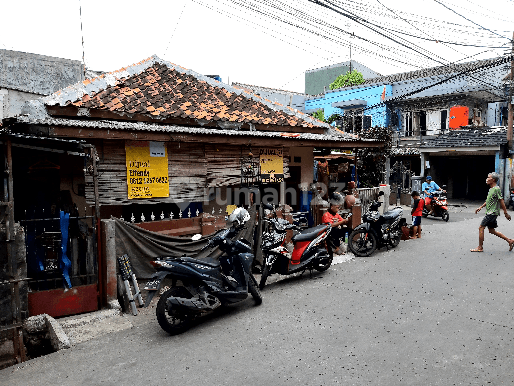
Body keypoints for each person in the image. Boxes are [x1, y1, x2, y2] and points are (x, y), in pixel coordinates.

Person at [471, 172, 514, 252]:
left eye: (488, 177)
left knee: (481, 228)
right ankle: (509, 240)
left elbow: (501, 201)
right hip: (491, 213)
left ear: (493, 180)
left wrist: (506, 213)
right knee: (491, 230)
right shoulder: (491, 189)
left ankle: (480, 247)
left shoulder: (496, 189)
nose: (487, 179)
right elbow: (488, 201)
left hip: (492, 213)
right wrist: (480, 207)